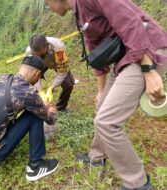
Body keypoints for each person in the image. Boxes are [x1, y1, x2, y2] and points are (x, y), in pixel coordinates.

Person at [44, 0, 167, 189]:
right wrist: (101, 91)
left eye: (46, 3)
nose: (48, 8)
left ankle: (137, 183)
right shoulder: (80, 13)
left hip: (145, 53)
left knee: (107, 122)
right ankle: (96, 158)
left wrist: (149, 70)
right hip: (124, 59)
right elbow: (96, 52)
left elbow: (132, 23)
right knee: (101, 109)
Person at [0, 55, 59, 181]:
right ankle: (35, 167)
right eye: (38, 78)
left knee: (32, 111)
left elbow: (18, 98)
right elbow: (50, 119)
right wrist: (51, 109)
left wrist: (38, 103)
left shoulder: (4, 78)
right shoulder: (27, 93)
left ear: (20, 67)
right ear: (37, 74)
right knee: (35, 116)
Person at [25, 34, 75, 112]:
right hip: (40, 64)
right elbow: (32, 73)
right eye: (37, 54)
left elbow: (63, 71)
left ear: (46, 46)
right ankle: (38, 107)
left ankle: (61, 107)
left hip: (55, 62)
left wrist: (52, 87)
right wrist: (40, 91)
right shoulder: (29, 52)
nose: (39, 55)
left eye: (41, 53)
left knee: (68, 84)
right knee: (29, 82)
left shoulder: (59, 48)